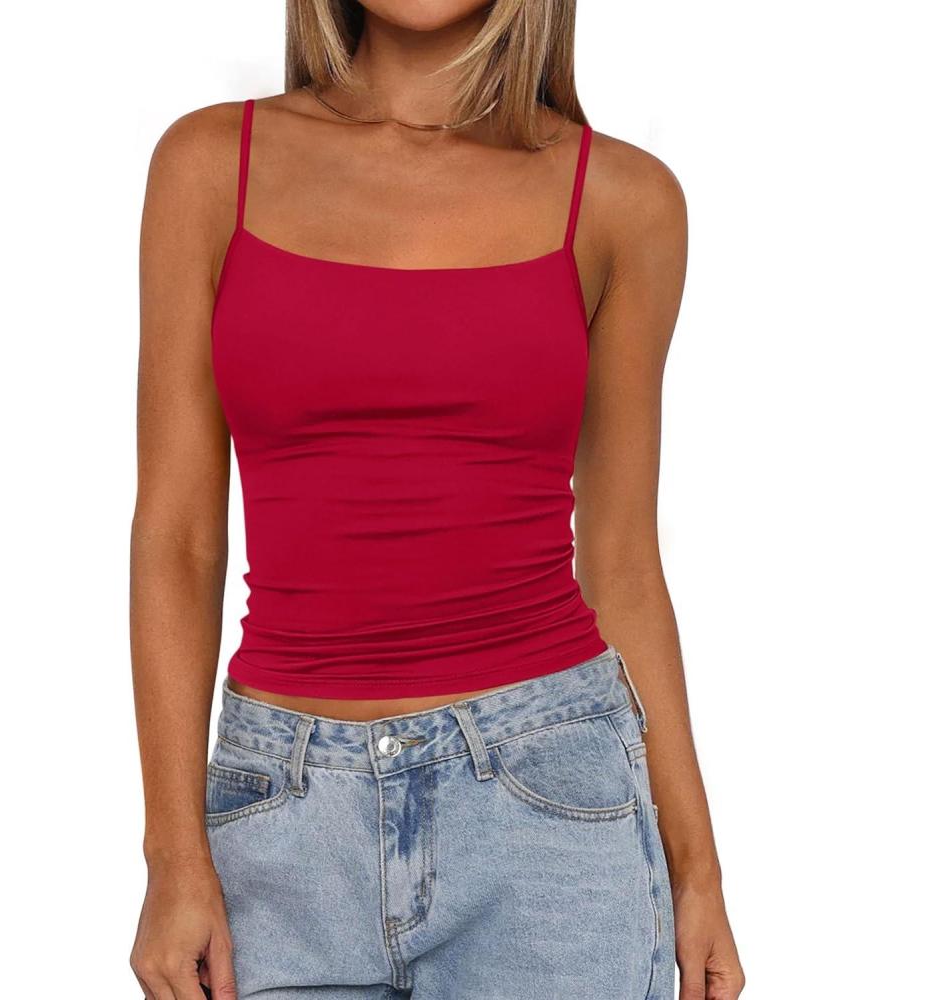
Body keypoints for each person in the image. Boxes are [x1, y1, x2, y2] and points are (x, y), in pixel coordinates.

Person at [129, 2, 744, 998]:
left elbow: (623, 563)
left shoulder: (621, 200)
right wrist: (172, 856)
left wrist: (697, 870)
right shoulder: (208, 166)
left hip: (548, 804)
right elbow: (178, 537)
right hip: (281, 819)